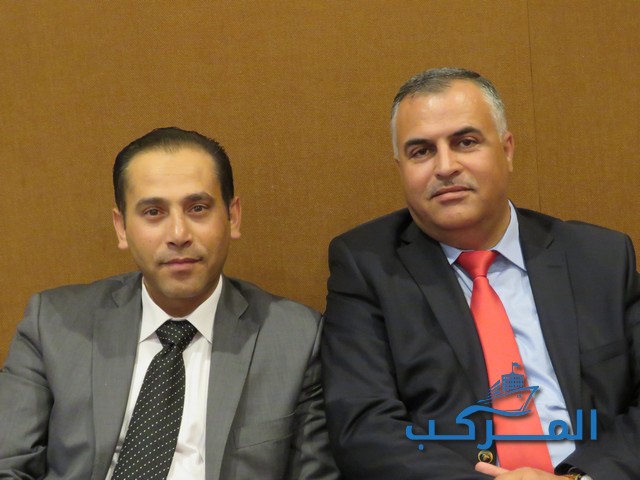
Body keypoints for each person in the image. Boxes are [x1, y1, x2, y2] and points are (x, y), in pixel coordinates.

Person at [321, 68, 640, 480]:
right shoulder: (366, 265)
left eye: (465, 142)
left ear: (507, 150)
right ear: (400, 167)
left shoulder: (599, 257)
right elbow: (364, 429)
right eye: (421, 151)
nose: (445, 166)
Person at [0, 127, 340, 480]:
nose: (178, 235)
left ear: (233, 216)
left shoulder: (296, 338)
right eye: (153, 212)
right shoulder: (52, 324)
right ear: (121, 227)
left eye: (198, 208)